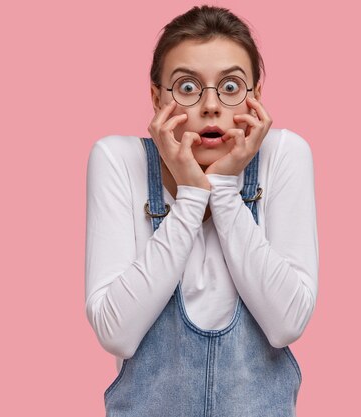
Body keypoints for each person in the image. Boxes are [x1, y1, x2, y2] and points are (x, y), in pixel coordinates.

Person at [84, 5, 318, 416]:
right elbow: (116, 333)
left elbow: (286, 324)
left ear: (256, 97)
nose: (211, 106)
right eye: (188, 87)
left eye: (230, 86)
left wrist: (226, 190)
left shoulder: (284, 155)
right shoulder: (118, 160)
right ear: (156, 97)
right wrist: (192, 194)